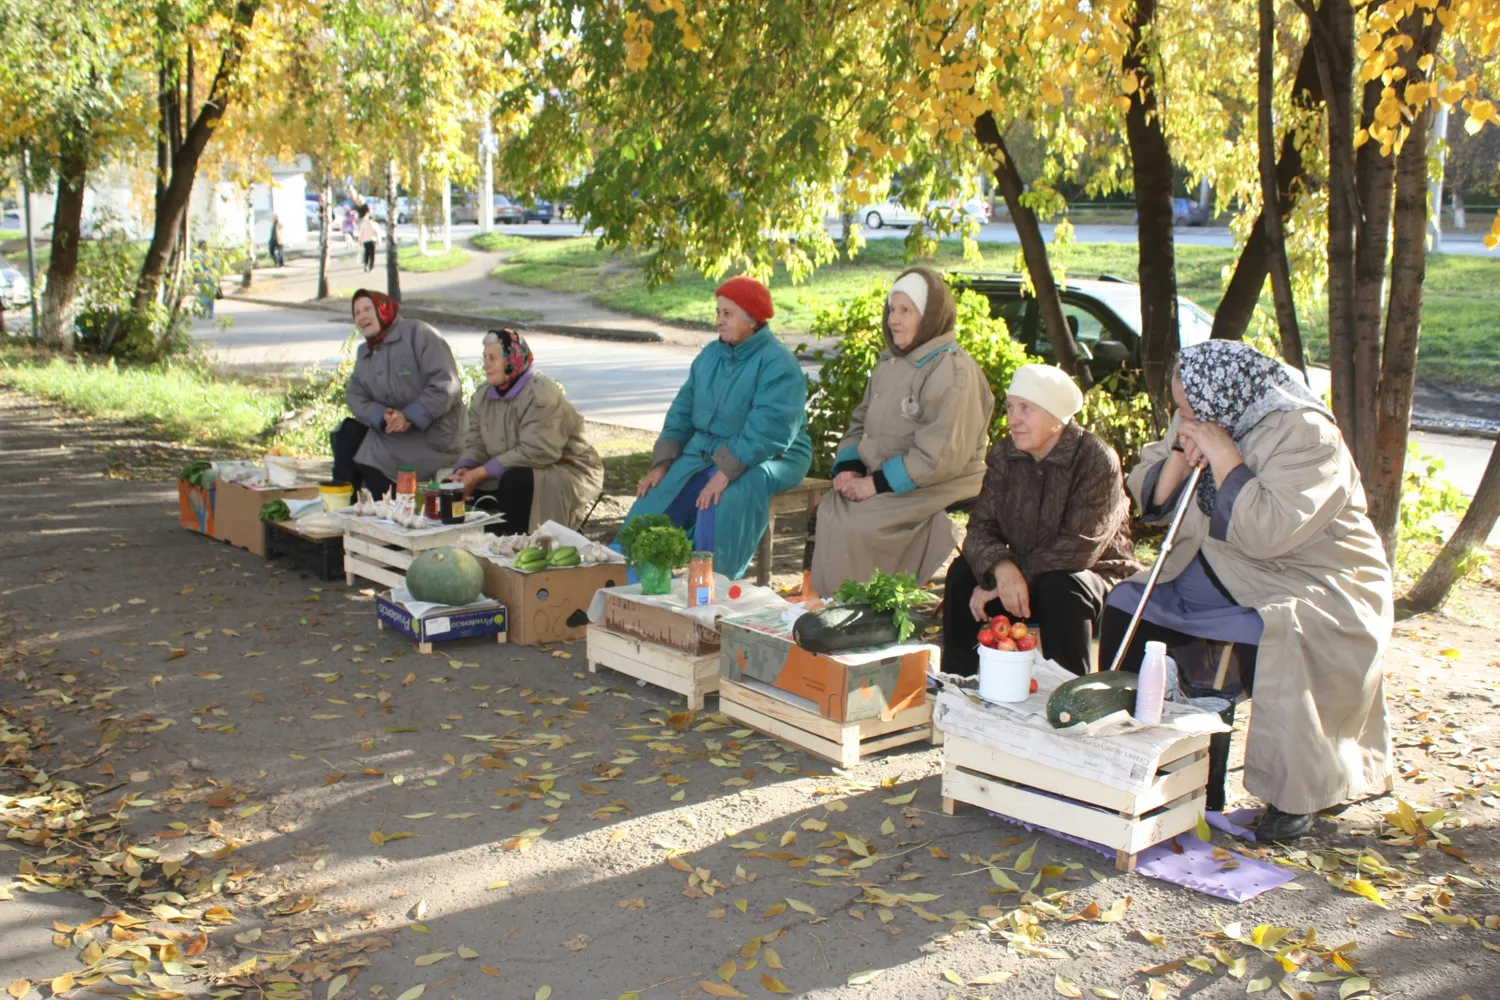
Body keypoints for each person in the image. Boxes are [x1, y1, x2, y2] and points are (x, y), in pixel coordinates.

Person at [1101, 340, 1393, 842]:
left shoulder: (1307, 434)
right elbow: (1147, 495)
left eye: (1189, 410)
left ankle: (1295, 793)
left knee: (1281, 632)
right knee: (1128, 604)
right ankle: (1128, 757)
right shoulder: (1205, 407)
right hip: (1216, 562)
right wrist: (1179, 452)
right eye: (1180, 409)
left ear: (1222, 393)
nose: (1183, 416)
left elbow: (1270, 532)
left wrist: (1224, 456)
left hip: (1309, 575)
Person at [943, 364, 1140, 677]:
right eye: (1010, 407)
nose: (1013, 419)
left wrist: (1010, 576)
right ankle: (960, 684)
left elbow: (1080, 548)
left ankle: (1070, 697)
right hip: (1022, 576)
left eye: (1026, 408)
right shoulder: (1005, 455)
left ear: (1056, 415)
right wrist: (1001, 569)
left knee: (1060, 586)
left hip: (1095, 577)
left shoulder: (1095, 459)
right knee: (963, 573)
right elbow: (980, 528)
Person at [809, 267, 995, 597]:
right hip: (885, 475)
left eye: (905, 311)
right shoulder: (892, 363)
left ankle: (865, 614)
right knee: (830, 508)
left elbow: (940, 456)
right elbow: (859, 422)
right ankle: (826, 608)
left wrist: (875, 484)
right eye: (891, 309)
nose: (893, 320)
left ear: (931, 316)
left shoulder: (952, 370)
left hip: (940, 480)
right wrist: (849, 469)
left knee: (860, 524)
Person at [618, 276, 812, 579]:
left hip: (772, 454)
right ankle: (630, 584)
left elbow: (771, 429)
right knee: (654, 502)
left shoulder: (778, 363)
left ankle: (709, 583)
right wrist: (663, 463)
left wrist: (725, 472)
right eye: (718, 312)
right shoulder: (710, 355)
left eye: (727, 313)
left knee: (719, 503)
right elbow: (682, 410)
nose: (718, 321)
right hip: (707, 449)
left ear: (752, 319)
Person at [447, 328, 604, 532]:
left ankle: (517, 548)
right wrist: (466, 469)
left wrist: (480, 473)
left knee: (516, 482)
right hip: (509, 466)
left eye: (493, 358)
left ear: (512, 359)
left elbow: (537, 451)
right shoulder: (484, 396)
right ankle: (471, 550)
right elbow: (476, 442)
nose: (485, 365)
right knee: (451, 488)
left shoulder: (541, 394)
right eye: (485, 357)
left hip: (564, 468)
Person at [332, 289, 463, 497]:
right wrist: (381, 415)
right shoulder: (365, 352)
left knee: (370, 455)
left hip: (431, 435)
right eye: (356, 312)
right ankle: (342, 506)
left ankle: (388, 509)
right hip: (392, 433)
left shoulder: (418, 334)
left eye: (368, 309)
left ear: (383, 308)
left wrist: (409, 417)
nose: (362, 316)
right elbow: (355, 396)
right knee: (347, 433)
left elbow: (446, 384)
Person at [358, 208, 379, 272]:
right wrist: (378, 241)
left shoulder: (363, 224)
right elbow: (377, 233)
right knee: (372, 255)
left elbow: (361, 234)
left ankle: (366, 265)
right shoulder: (375, 224)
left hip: (365, 241)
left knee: (366, 253)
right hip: (373, 240)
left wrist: (359, 241)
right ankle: (371, 267)